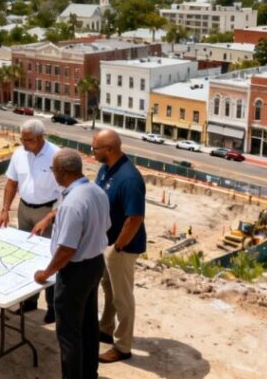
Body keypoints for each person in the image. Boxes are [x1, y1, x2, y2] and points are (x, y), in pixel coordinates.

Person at [34, 148, 109, 379]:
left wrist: (46, 273)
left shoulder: (71, 204)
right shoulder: (97, 191)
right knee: (88, 324)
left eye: (53, 170)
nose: (53, 174)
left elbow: (67, 249)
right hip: (95, 264)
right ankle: (90, 373)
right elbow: (105, 226)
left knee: (68, 334)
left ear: (63, 172)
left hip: (75, 272)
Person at [0, 118, 61, 323]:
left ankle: (53, 307)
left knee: (49, 258)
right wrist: (5, 209)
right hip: (24, 210)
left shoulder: (57, 155)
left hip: (48, 212)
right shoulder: (19, 154)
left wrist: (49, 217)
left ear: (40, 138)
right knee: (26, 256)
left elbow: (66, 192)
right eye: (22, 139)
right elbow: (11, 183)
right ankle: (29, 300)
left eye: (27, 140)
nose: (23, 143)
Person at [92, 129, 146, 364]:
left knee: (123, 297)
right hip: (107, 243)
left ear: (110, 149)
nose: (93, 152)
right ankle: (105, 328)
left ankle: (123, 346)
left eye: (95, 148)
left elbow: (135, 218)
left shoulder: (129, 178)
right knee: (108, 288)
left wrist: (118, 247)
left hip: (123, 247)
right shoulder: (106, 169)